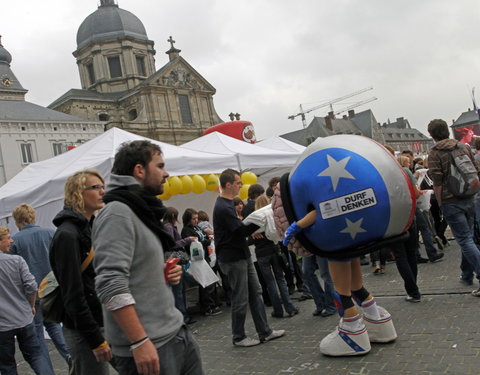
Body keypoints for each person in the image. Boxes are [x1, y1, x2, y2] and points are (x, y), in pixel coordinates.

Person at [93, 140, 204, 375]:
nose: (166, 174)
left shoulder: (139, 209)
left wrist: (162, 272)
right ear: (139, 170)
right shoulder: (117, 212)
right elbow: (110, 284)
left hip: (174, 333)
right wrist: (139, 341)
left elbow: (136, 268)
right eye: (160, 166)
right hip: (150, 345)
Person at [284, 210, 397, 356]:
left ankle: (352, 331)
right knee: (356, 287)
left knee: (342, 291)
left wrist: (297, 225)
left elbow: (322, 206)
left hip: (335, 233)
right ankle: (377, 321)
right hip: (353, 230)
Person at [50, 169, 112, 375]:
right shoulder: (67, 234)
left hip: (100, 320)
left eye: (103, 187)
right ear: (78, 193)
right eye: (96, 187)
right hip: (84, 330)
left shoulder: (90, 227)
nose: (102, 191)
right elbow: (73, 293)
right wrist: (95, 339)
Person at [213, 168, 285, 347]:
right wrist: (260, 224)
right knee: (241, 298)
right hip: (232, 258)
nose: (241, 186)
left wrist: (257, 226)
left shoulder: (228, 204)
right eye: (238, 183)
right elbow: (240, 231)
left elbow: (241, 230)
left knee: (256, 293)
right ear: (228, 184)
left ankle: (265, 332)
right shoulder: (223, 207)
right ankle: (238, 337)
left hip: (242, 255)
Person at [10, 204, 72, 370]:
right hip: (52, 290)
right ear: (32, 216)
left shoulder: (14, 241)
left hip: (31, 295)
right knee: (54, 327)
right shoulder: (50, 233)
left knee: (38, 335)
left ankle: (47, 371)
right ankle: (70, 356)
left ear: (17, 220)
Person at [427, 119, 480, 296]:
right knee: (469, 237)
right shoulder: (463, 147)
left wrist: (441, 203)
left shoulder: (435, 152)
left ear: (432, 135)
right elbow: (476, 170)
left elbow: (437, 181)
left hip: (451, 201)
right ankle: (466, 275)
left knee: (465, 240)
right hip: (470, 196)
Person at [0, 226, 55, 375]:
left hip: (3, 325)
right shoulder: (17, 261)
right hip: (23, 318)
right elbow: (31, 286)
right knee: (36, 356)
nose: (11, 240)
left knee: (7, 365)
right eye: (7, 238)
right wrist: (31, 305)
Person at [245, 194, 299, 318]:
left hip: (261, 254)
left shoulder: (255, 220)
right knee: (281, 279)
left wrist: (253, 235)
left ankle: (278, 310)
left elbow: (248, 241)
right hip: (274, 250)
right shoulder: (273, 217)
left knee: (270, 282)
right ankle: (290, 307)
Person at [181, 208, 221, 316]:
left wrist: (206, 241)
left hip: (205, 256)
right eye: (193, 219)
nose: (196, 220)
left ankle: (210, 304)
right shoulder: (186, 230)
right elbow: (194, 243)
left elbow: (204, 238)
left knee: (209, 281)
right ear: (188, 219)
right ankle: (207, 307)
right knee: (205, 283)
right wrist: (205, 241)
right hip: (197, 259)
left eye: (196, 218)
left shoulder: (197, 227)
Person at [162, 207, 196, 324]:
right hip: (174, 261)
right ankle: (182, 316)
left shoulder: (166, 226)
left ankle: (182, 315)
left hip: (171, 261)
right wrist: (186, 240)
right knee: (178, 290)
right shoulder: (168, 227)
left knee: (178, 289)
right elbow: (172, 243)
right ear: (173, 216)